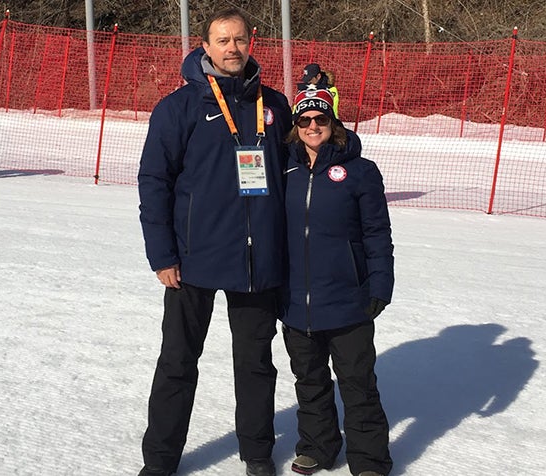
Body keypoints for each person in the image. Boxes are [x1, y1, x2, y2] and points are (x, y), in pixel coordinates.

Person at [137, 7, 292, 476]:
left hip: (257, 261)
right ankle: (160, 461)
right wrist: (161, 254)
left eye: (239, 39)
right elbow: (154, 182)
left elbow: (307, 161)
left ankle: (258, 455)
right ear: (205, 46)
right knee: (178, 364)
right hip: (192, 261)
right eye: (222, 41)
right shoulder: (179, 107)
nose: (232, 48)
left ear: (252, 42)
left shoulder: (276, 105)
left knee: (256, 365)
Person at [281, 88, 394, 476]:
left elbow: (377, 232)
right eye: (304, 120)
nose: (313, 126)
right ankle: (318, 445)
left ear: (334, 122)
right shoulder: (285, 169)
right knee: (309, 381)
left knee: (358, 384)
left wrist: (380, 284)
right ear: (296, 127)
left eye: (321, 119)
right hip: (296, 300)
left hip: (348, 299)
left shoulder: (360, 171)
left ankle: (369, 460)